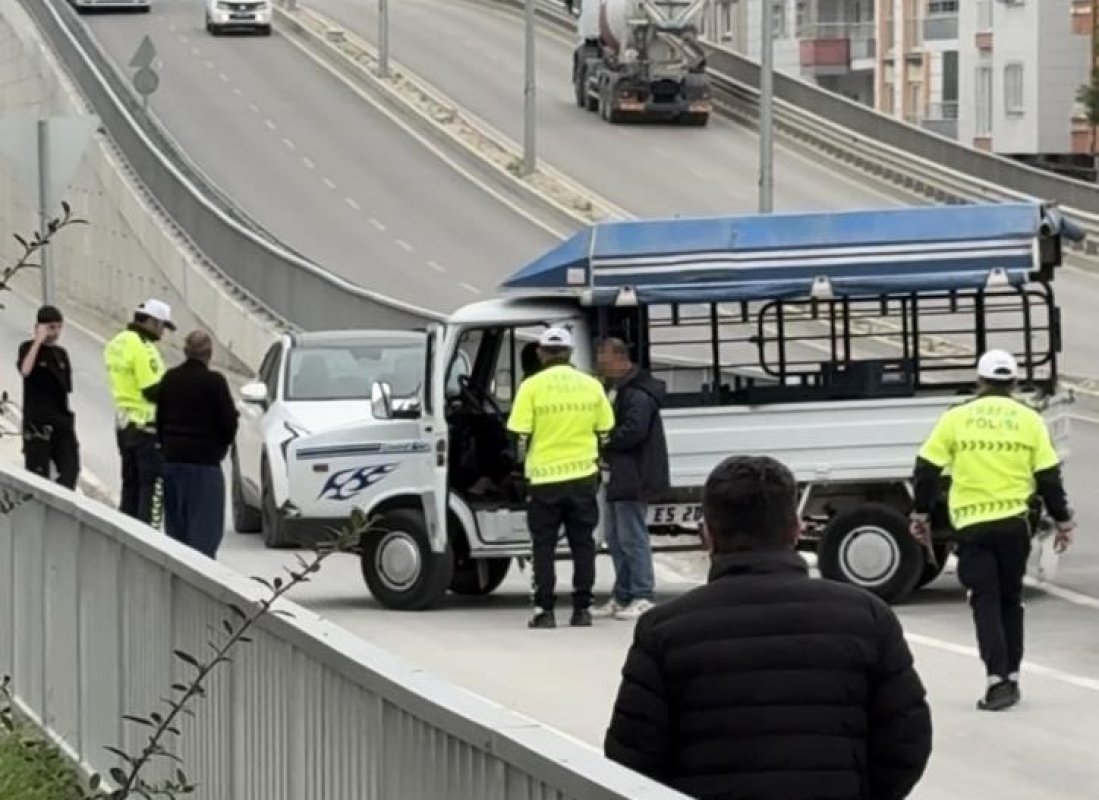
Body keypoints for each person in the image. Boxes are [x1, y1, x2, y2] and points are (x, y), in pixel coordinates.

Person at [605, 455, 933, 800]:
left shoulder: (664, 631)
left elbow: (632, 760)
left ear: (707, 535)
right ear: (796, 528)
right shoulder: (867, 617)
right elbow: (906, 740)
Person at [910, 349, 1075, 712]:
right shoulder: (1030, 419)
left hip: (971, 525)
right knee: (1009, 599)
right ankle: (1012, 675)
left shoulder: (957, 417)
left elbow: (926, 468)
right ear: (1014, 383)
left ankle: (996, 679)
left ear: (979, 381)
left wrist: (921, 514)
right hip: (1015, 524)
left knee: (984, 600)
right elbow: (1048, 477)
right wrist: (1063, 521)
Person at [507, 326, 615, 629]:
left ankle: (545, 611)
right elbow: (605, 429)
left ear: (541, 353)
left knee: (543, 546)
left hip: (543, 480)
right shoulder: (591, 386)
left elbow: (518, 435)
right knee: (583, 544)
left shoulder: (531, 386)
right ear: (569, 353)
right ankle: (582, 610)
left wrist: (518, 470)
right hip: (582, 478)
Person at [593, 338, 669, 621]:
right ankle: (622, 594)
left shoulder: (638, 393)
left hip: (634, 474)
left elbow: (634, 431)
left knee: (632, 537)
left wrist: (605, 440)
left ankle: (642, 595)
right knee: (615, 538)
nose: (601, 364)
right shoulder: (617, 389)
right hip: (618, 474)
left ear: (621, 358)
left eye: (605, 358)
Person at [156, 331, 238, 559]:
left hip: (172, 463)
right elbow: (229, 423)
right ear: (209, 354)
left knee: (177, 533)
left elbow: (159, 419)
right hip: (204, 465)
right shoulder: (215, 382)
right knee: (204, 536)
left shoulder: (170, 379)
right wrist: (220, 448)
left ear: (185, 352)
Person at [104, 299, 175, 525]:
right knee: (151, 489)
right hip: (147, 427)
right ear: (152, 322)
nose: (163, 332)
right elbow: (151, 390)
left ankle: (128, 535)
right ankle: (148, 538)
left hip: (124, 423)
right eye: (163, 326)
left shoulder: (117, 342)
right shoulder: (143, 347)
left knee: (130, 485)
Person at [17, 305, 79, 489]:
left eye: (59, 327)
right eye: (51, 327)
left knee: (70, 471)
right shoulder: (28, 348)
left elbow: (66, 388)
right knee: (38, 478)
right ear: (39, 327)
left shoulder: (61, 354)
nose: (56, 332)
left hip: (61, 421)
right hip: (38, 424)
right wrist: (38, 341)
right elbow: (25, 370)